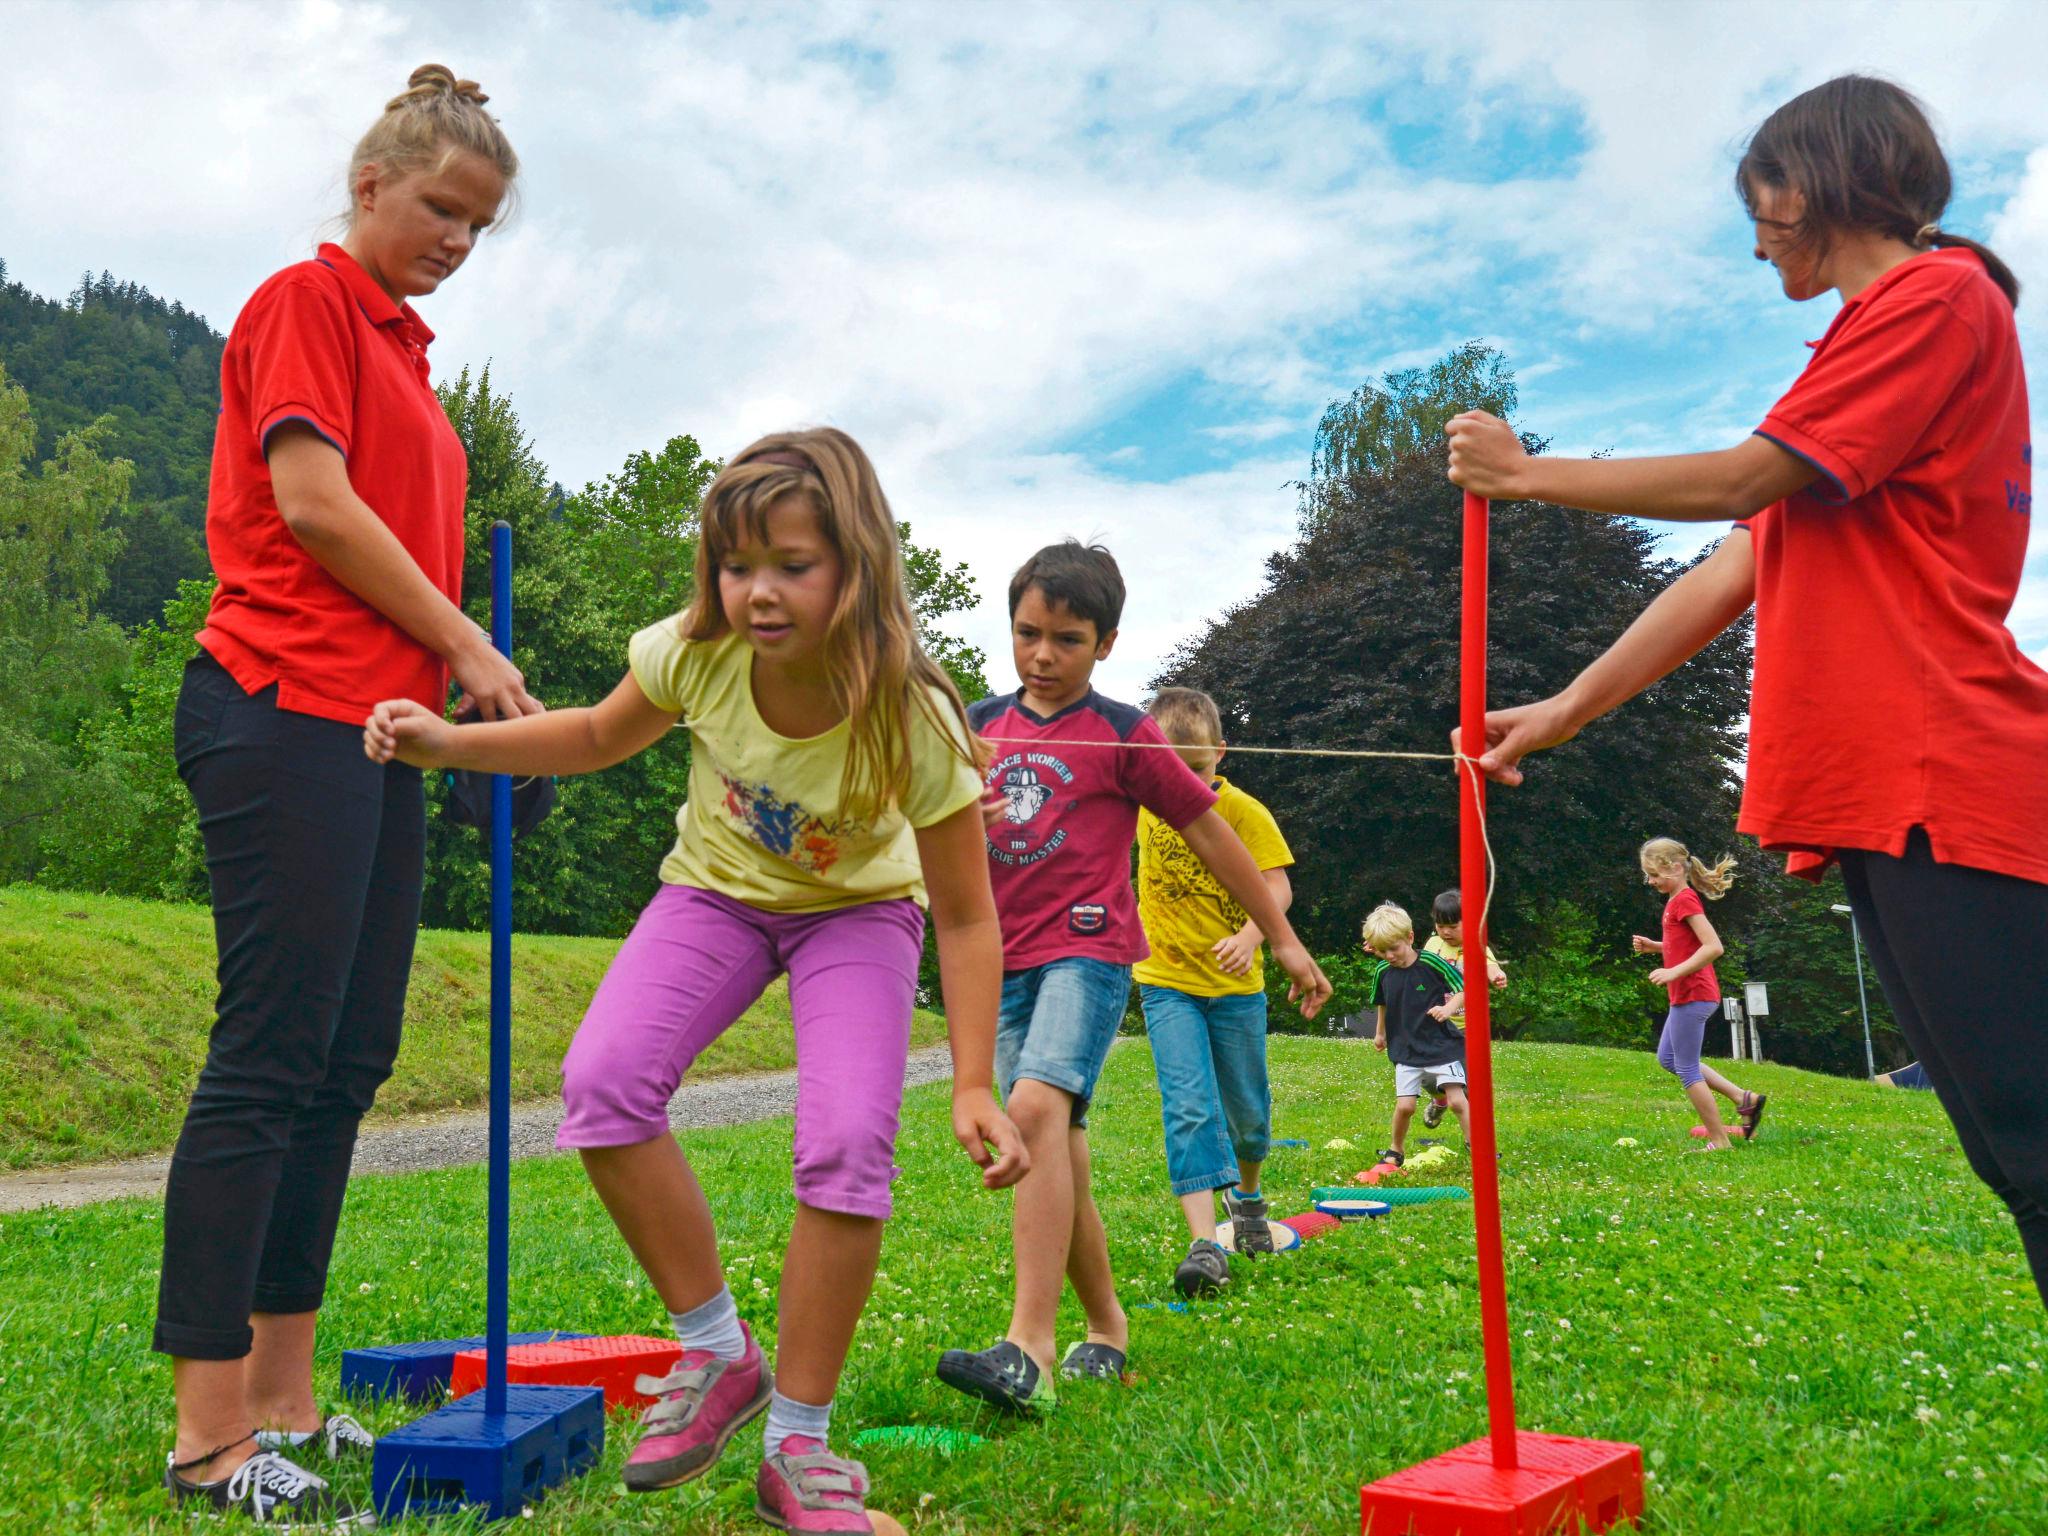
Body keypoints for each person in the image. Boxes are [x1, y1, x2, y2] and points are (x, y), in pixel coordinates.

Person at [1446, 74, 2047, 1305]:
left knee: (2033, 1145)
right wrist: (1563, 710)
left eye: (1763, 198)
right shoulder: (1870, 346)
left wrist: (1523, 476)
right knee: (2013, 1152)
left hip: (1945, 772)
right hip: (1888, 787)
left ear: (1830, 178)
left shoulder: (1934, 297)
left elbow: (1737, 482)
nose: (1754, 228)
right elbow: (1733, 566)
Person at [366, 430, 1026, 1534]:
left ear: (853, 566)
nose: (758, 592)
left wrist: (969, 1081)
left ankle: (799, 1448)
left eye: (792, 565)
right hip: (712, 896)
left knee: (846, 1146)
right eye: (736, 565)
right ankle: (719, 1354)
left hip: (857, 916)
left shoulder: (912, 714)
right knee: (604, 1081)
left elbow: (962, 912)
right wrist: (446, 745)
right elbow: (586, 737)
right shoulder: (694, 651)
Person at [157, 65, 530, 1526]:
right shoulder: (303, 303)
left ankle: (287, 1403)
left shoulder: (409, 357)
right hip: (275, 708)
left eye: (479, 225)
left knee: (348, 1058)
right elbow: (312, 508)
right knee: (269, 1055)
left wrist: (452, 690)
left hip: (379, 737)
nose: (454, 239)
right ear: (370, 184)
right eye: (440, 207)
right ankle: (205, 1439)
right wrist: (466, 645)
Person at [935, 541, 1331, 1408]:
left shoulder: (1123, 732)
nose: (1042, 656)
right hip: (1001, 962)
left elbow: (1212, 834)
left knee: (1034, 1112)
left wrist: (1282, 937)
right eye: (1027, 634)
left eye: (1067, 639)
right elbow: (917, 822)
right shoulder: (974, 726)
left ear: (1106, 642)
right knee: (1054, 1149)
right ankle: (1106, 1328)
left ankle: (1026, 1349)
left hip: (1090, 952)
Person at [1130, 687, 1296, 1298]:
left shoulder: (1245, 812)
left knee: (1249, 1117)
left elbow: (1277, 888)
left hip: (1235, 988)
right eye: (1170, 770)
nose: (1183, 784)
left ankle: (1247, 1200)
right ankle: (1204, 1243)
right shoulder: (1142, 804)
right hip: (1165, 981)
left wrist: (1253, 935)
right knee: (1190, 1106)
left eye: (1195, 770)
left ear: (1220, 753)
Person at [1633, 839, 1763, 1149]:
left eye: (1654, 875)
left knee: (1687, 1067)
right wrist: (1657, 947)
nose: (1650, 882)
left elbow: (1713, 946)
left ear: (1676, 868)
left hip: (1695, 993)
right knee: (1669, 1058)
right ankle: (1743, 1098)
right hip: (1687, 994)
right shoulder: (1676, 900)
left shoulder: (1685, 900)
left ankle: (1719, 1141)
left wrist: (1673, 972)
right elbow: (1686, 946)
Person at [1363, 903, 1468, 1164]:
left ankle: (1476, 1145)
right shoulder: (1382, 972)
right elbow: (1383, 1003)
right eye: (1382, 950)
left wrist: (1448, 1009)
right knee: (1406, 1107)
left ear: (1409, 938)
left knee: (1456, 1101)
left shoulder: (1430, 961)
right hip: (1406, 1050)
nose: (1389, 955)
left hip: (1442, 1046)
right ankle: (1395, 1150)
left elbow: (1463, 988)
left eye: (1394, 948)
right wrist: (1380, 1033)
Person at [1420, 888, 1506, 1130]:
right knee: (1425, 1076)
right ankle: (1439, 1100)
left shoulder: (1476, 945)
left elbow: (1490, 966)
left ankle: (1477, 1138)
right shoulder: (1433, 944)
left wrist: (1497, 975)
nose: (1445, 931)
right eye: (1440, 925)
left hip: (1466, 1030)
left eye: (1453, 926)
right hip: (1436, 1026)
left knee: (1466, 1088)